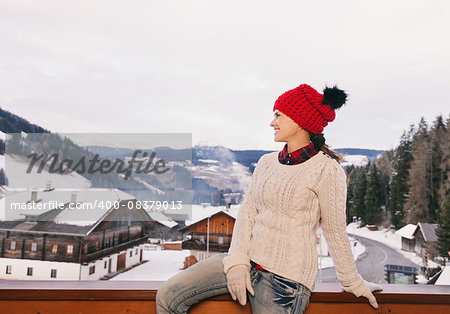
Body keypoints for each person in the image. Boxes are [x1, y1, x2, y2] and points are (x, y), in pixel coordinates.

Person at [156, 83, 382, 314]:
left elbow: (335, 231)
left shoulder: (327, 170)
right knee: (167, 297)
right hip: (247, 262)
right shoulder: (265, 163)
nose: (272, 122)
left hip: (286, 283)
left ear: (299, 120)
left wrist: (352, 281)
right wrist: (237, 263)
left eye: (278, 115)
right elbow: (247, 214)